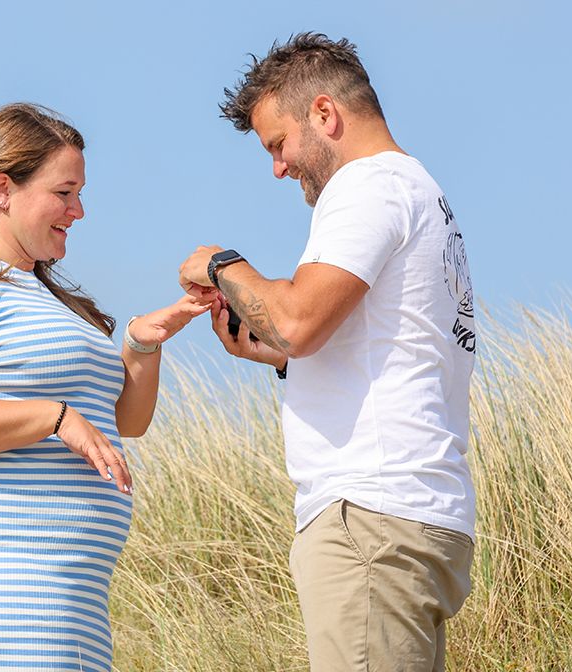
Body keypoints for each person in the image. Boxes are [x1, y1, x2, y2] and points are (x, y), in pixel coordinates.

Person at [178, 33, 477, 671]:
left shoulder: (367, 187)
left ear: (324, 114)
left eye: (278, 145)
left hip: (370, 517)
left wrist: (221, 264)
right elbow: (383, 344)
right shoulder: (419, 191)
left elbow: (296, 317)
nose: (280, 168)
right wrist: (280, 356)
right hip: (415, 510)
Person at [0, 103, 212, 671]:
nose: (79, 210)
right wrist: (53, 417)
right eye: (64, 192)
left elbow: (122, 425)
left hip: (66, 592)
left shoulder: (48, 297)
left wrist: (141, 343)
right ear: (4, 189)